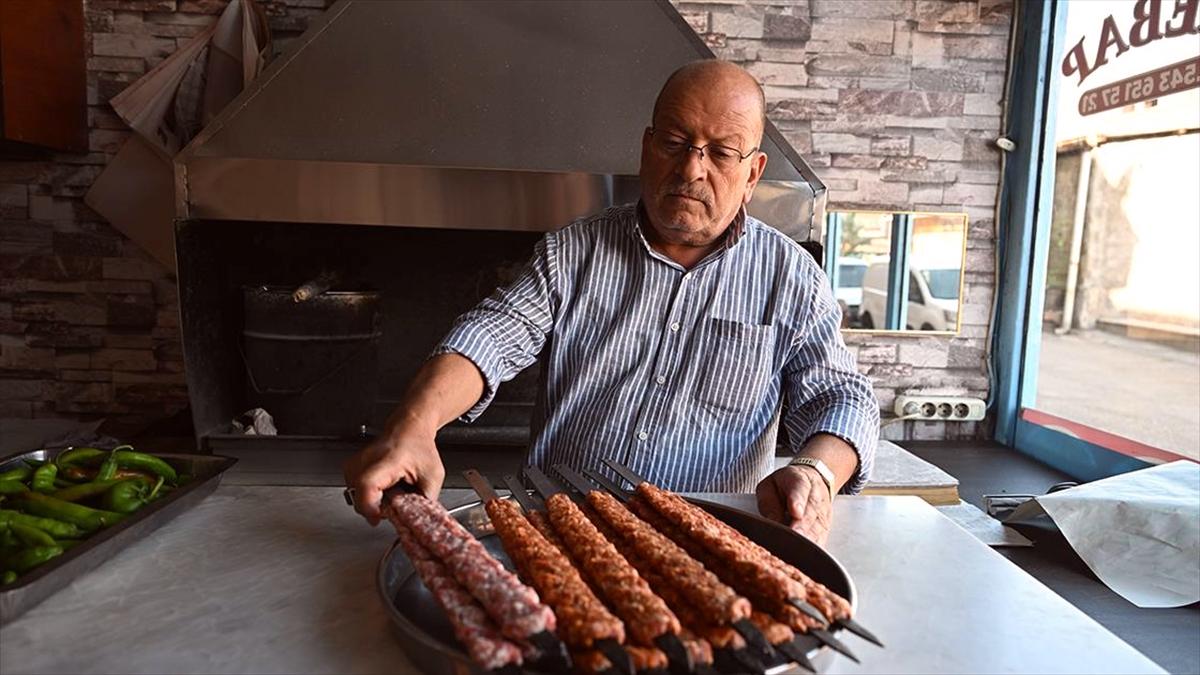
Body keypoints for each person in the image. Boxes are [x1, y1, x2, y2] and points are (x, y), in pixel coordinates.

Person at [344, 60, 879, 544]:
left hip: (709, 546)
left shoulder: (791, 277)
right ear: (647, 147)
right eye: (675, 141)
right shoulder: (573, 249)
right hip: (559, 532)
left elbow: (843, 396)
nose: (692, 169)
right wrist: (414, 425)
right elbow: (491, 334)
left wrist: (816, 472)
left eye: (721, 152)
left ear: (753, 174)